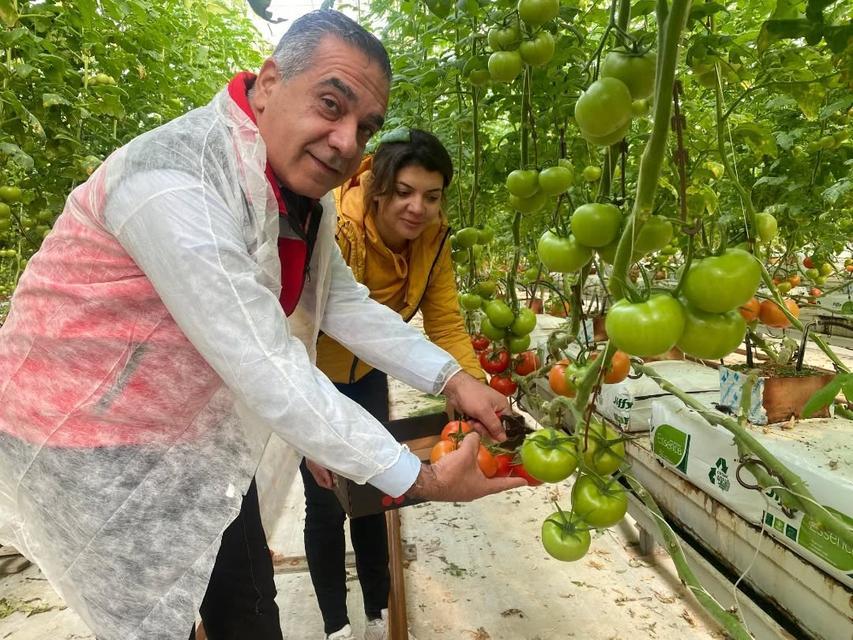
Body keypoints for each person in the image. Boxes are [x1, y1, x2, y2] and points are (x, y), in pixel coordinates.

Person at [0, 10, 524, 640]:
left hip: (195, 427)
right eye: (331, 104)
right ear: (270, 81)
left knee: (247, 609)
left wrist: (452, 381)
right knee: (145, 615)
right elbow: (264, 360)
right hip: (92, 436)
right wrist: (422, 477)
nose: (345, 140)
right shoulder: (176, 181)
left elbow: (340, 302)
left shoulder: (298, 196)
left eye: (364, 127)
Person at [301, 129, 484, 640]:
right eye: (404, 191)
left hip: (369, 373)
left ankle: (376, 612)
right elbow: (301, 325)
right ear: (378, 188)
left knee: (376, 492)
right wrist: (309, 426)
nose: (417, 208)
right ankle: (336, 624)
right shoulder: (335, 228)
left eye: (431, 195)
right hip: (314, 375)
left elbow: (445, 321)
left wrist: (473, 392)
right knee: (325, 501)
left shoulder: (433, 237)